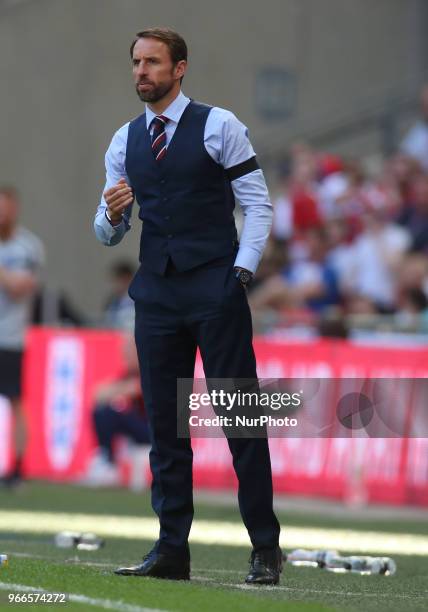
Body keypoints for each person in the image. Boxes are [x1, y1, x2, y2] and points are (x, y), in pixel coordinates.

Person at [94, 28, 281, 584]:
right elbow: (106, 234)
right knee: (165, 430)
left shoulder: (220, 125)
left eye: (152, 62)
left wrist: (240, 273)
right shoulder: (123, 141)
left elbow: (257, 205)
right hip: (156, 296)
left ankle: (265, 548)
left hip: (216, 289)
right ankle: (171, 549)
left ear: (179, 69)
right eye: (135, 62)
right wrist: (112, 214)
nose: (140, 71)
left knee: (239, 419)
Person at [0, 186, 45, 486]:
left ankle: (17, 468)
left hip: (10, 337)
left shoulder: (28, 247)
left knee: (16, 400)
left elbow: (21, 288)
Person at [83, 334, 150, 488]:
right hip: (137, 431)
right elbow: (98, 394)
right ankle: (106, 459)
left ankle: (108, 463)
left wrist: (119, 390)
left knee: (112, 412)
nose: (124, 354)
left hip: (154, 433)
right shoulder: (128, 374)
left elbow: (134, 389)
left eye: (128, 350)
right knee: (102, 411)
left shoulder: (148, 371)